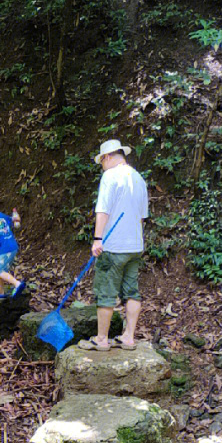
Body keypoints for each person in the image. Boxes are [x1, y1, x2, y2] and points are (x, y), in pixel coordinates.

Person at [79, 139, 148, 351]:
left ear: (107, 157)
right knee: (131, 292)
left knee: (106, 292)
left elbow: (103, 210)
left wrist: (97, 238)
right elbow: (142, 217)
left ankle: (101, 339)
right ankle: (128, 337)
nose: (102, 165)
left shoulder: (109, 176)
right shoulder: (139, 178)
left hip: (113, 246)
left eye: (101, 161)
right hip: (135, 245)